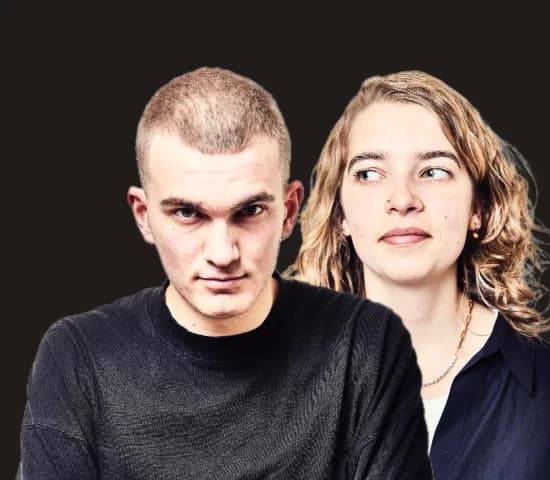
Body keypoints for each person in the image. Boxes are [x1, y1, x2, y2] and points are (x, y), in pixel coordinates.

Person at [18, 67, 432, 479]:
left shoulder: (364, 344)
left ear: (289, 211)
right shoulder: (78, 357)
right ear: (144, 216)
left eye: (249, 211)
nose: (222, 253)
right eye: (187, 213)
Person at [290, 70, 550, 479]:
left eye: (433, 171)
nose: (402, 199)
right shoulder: (274, 387)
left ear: (478, 208)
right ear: (340, 216)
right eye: (369, 173)